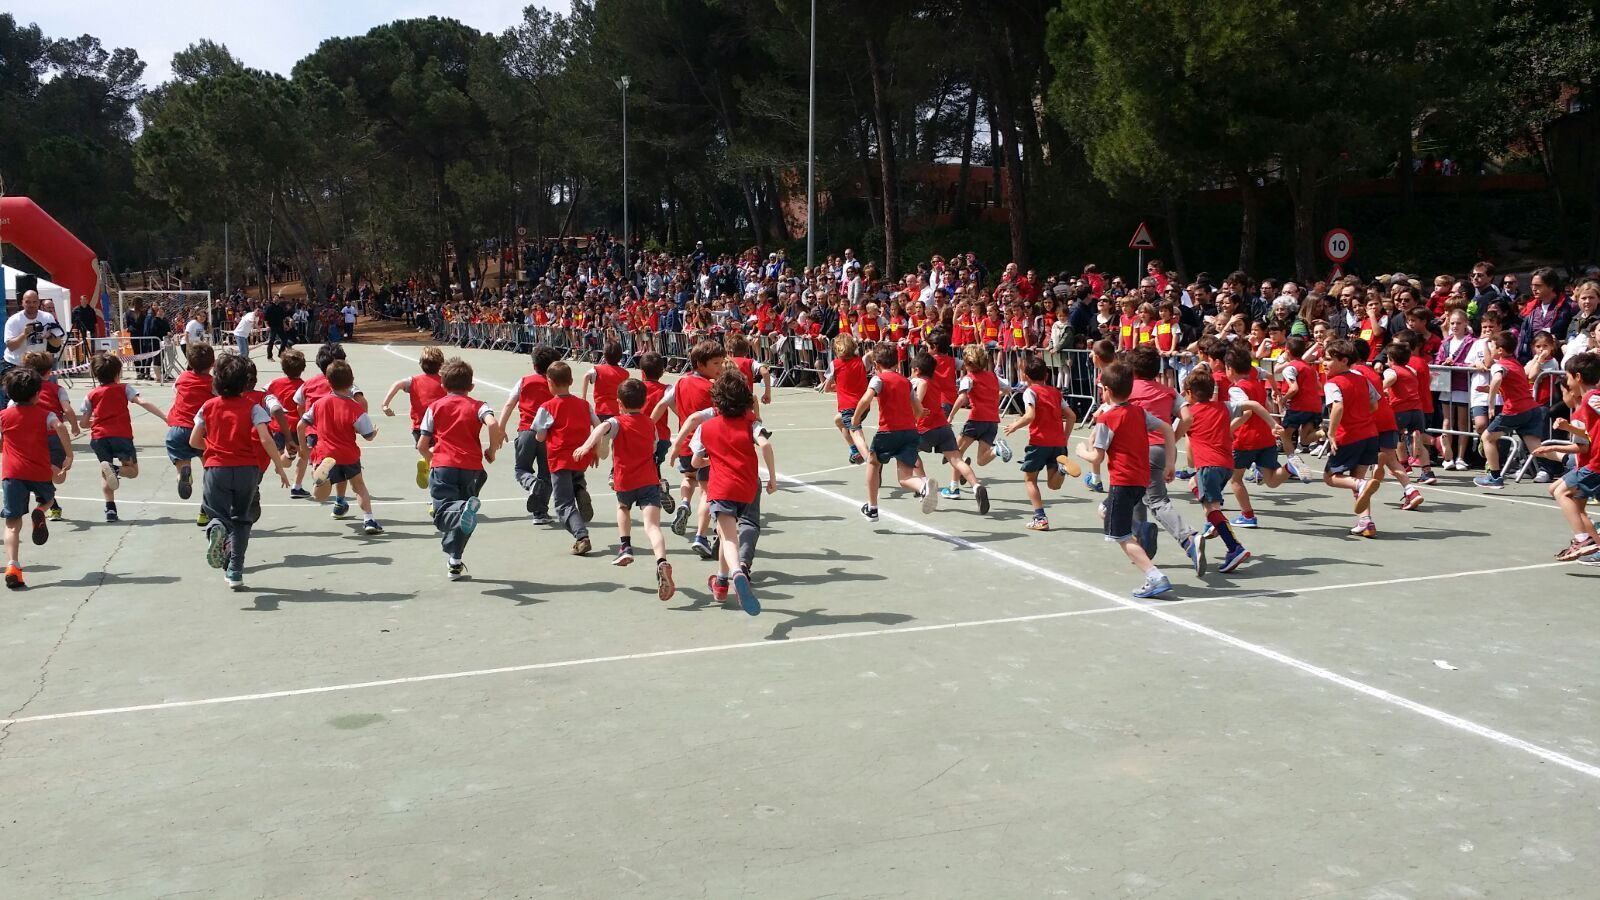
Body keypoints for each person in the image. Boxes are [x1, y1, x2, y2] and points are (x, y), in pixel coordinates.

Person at [1073, 361, 1176, 598]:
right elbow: (1168, 430)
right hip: (1140, 479)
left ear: (1107, 390)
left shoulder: (1107, 420)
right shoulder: (1139, 412)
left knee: (1120, 536)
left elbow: (1097, 456)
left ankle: (1154, 576)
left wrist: (1081, 452)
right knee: (1104, 510)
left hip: (1123, 480)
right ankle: (1140, 527)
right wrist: (1170, 463)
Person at [190, 353, 292, 590]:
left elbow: (195, 441)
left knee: (218, 515)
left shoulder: (208, 407)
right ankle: (235, 570)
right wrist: (279, 465)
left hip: (217, 468)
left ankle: (217, 529)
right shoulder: (253, 407)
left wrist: (213, 447)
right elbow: (266, 439)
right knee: (242, 520)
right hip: (247, 469)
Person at [678, 368, 774, 615]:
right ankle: (721, 582)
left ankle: (737, 573)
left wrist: (711, 460)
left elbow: (696, 463)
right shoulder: (751, 423)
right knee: (725, 535)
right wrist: (772, 477)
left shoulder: (707, 428)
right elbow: (765, 444)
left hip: (721, 488)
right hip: (748, 485)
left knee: (729, 537)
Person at [573, 378, 676, 599]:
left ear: (619, 403)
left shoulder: (618, 422)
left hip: (625, 479)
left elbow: (602, 427)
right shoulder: (650, 423)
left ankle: (625, 546)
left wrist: (587, 445)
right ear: (645, 400)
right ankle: (662, 561)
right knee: (653, 526)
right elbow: (653, 446)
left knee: (623, 508)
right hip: (649, 479)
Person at [418, 358, 501, 580]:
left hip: (444, 464)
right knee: (466, 518)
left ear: (443, 385)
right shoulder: (479, 405)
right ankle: (455, 560)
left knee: (443, 513)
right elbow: (492, 424)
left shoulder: (434, 407)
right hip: (472, 468)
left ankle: (461, 509)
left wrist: (429, 458)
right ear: (471, 386)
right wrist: (492, 449)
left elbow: (422, 445)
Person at [1177, 368, 1265, 573]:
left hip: (1208, 465)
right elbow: (1250, 407)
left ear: (1189, 393)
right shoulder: (1223, 407)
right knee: (1194, 484)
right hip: (1226, 465)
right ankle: (1217, 521)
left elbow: (1177, 438)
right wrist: (1271, 423)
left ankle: (1234, 547)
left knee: (1211, 509)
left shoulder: (1189, 414)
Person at [0, 368, 73, 589]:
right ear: (37, 394)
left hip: (12, 473)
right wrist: (68, 454)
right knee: (48, 499)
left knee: (12, 524)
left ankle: (13, 566)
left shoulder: (3, 416)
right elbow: (60, 426)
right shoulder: (45, 415)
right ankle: (40, 512)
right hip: (39, 470)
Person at [1222, 346, 1309, 527]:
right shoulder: (1257, 384)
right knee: (1271, 480)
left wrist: (1229, 429)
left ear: (1229, 369)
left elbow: (1245, 414)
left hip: (1245, 439)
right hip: (1265, 438)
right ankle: (1290, 468)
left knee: (1236, 479)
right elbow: (1266, 404)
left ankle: (1247, 516)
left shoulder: (1236, 389)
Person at [79, 353, 170, 522]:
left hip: (99, 438)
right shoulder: (124, 388)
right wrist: (164, 417)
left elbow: (83, 424)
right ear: (118, 373)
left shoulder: (91, 395)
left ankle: (110, 510)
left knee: (105, 473)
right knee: (132, 471)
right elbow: (142, 402)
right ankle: (116, 469)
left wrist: (94, 420)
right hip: (121, 436)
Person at [853, 344, 938, 521]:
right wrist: (913, 419)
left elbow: (865, 399)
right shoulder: (906, 382)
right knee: (905, 477)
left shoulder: (879, 379)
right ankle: (922, 486)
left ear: (875, 364)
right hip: (909, 431)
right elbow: (918, 408)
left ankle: (872, 507)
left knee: (873, 463)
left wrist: (855, 419)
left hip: (888, 431)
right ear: (896, 362)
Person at [654, 340, 724, 555]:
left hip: (685, 443)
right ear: (700, 364)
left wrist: (649, 429)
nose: (720, 368)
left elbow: (663, 404)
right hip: (707, 446)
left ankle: (684, 503)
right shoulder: (713, 388)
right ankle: (701, 535)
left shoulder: (681, 383)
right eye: (716, 363)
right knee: (706, 491)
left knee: (688, 478)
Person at [300, 360, 382, 534]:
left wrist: (303, 446)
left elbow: (302, 424)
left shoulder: (319, 404)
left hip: (324, 453)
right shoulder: (355, 408)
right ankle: (369, 519)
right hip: (348, 454)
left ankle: (322, 479)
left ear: (328, 381)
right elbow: (367, 435)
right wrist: (373, 433)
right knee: (359, 486)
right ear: (352, 381)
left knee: (320, 495)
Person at [1536, 352, 1600, 564]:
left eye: (1568, 376)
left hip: (1596, 463)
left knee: (1562, 493)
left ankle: (1584, 540)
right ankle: (1589, 543)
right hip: (1593, 461)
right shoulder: (1588, 402)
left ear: (1578, 377)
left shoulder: (1592, 397)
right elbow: (1589, 435)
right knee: (1559, 492)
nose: (1567, 380)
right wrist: (1568, 428)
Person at [1002, 354, 1076, 531]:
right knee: (1053, 484)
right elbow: (1072, 416)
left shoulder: (1030, 391)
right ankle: (1061, 468)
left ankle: (1040, 518)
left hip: (1039, 442)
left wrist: (1014, 425)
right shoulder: (1056, 393)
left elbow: (1030, 415)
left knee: (1030, 480)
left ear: (1026, 377)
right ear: (1047, 375)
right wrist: (1064, 438)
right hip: (1058, 442)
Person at [292, 343, 368, 512]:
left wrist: (307, 420)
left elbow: (299, 404)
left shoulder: (308, 383)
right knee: (343, 467)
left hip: (314, 432)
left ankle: (319, 475)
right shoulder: (346, 384)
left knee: (320, 464)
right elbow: (361, 402)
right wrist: (359, 424)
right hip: (340, 433)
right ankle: (340, 500)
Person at [533, 361, 599, 555]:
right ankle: (580, 489)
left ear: (549, 382)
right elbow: (598, 426)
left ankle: (581, 536)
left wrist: (540, 434)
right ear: (571, 381)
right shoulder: (584, 405)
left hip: (560, 458)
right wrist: (593, 449)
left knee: (563, 504)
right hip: (580, 456)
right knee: (576, 477)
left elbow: (541, 435)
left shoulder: (547, 407)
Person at [1321, 340, 1384, 537]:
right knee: (1357, 477)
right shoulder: (1361, 378)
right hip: (1370, 435)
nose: (1324, 362)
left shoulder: (1332, 383)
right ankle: (1366, 521)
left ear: (1344, 361)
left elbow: (1338, 407)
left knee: (1330, 477)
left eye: (1329, 359)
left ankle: (1361, 486)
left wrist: (1331, 433)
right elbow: (1374, 405)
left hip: (1348, 436)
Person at [911, 353, 986, 513]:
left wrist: (915, 413)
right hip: (944, 428)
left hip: (926, 428)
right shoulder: (935, 383)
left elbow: (917, 403)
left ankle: (924, 485)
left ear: (916, 370)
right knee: (957, 460)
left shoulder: (921, 382)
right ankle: (976, 485)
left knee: (910, 453)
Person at [1475, 330, 1549, 488]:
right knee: (1536, 448)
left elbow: (1497, 378)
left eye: (1492, 346)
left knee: (1487, 437)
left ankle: (1494, 477)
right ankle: (1570, 461)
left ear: (1500, 350)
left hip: (1515, 410)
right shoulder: (1516, 364)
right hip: (1532, 409)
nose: (1490, 349)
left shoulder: (1499, 365)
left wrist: (1491, 403)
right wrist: (1490, 389)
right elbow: (1511, 386)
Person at [20, 352, 78, 521]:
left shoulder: (25, 391)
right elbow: (67, 409)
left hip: (33, 437)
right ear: (49, 371)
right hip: (55, 435)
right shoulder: (57, 389)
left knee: (43, 474)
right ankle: (51, 502)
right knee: (58, 477)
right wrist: (74, 425)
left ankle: (48, 498)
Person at [381, 346, 448, 492]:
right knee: (439, 463)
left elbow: (397, 384)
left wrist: (385, 404)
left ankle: (426, 460)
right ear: (441, 364)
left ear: (421, 364)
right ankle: (435, 497)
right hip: (440, 429)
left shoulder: (414, 381)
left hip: (419, 429)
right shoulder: (445, 381)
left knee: (432, 459)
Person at [166, 343, 216, 523]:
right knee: (210, 472)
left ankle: (183, 473)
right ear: (212, 364)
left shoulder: (182, 378)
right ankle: (204, 512)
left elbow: (176, 390)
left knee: (182, 463)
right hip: (201, 430)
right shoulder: (211, 383)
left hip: (177, 429)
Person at [821, 333, 871, 465]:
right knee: (838, 420)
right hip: (864, 405)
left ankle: (870, 460)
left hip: (848, 407)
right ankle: (855, 451)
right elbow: (871, 355)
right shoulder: (861, 361)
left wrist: (839, 387)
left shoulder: (835, 364)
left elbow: (827, 388)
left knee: (856, 433)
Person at [3, 290, 59, 407]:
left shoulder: (47, 317)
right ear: (22, 303)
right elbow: (11, 346)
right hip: (16, 364)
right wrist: (24, 334)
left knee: (38, 398)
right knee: (12, 399)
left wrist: (49, 336)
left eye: (34, 302)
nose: (31, 305)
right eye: (28, 302)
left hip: (37, 366)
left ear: (39, 303)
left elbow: (57, 344)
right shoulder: (14, 320)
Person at [582, 341, 630, 420]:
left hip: (601, 410)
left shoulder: (598, 369)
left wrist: (583, 398)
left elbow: (586, 376)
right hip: (618, 411)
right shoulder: (625, 374)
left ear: (604, 355)